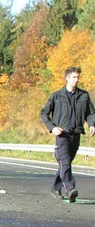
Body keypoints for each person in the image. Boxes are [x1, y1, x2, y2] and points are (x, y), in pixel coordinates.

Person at [41, 66, 95, 202]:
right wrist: (52, 128)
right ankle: (71, 189)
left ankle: (55, 187)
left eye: (78, 77)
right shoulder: (56, 96)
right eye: (74, 77)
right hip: (62, 135)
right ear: (67, 78)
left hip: (76, 134)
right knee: (65, 162)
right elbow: (44, 113)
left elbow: (91, 113)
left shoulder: (84, 95)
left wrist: (92, 124)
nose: (76, 80)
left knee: (66, 164)